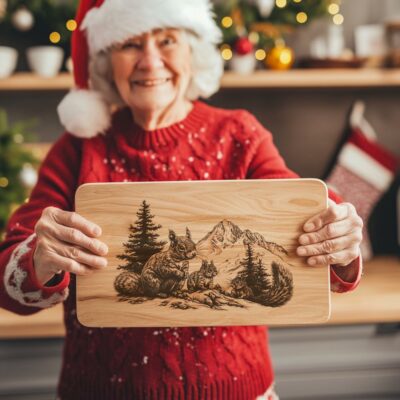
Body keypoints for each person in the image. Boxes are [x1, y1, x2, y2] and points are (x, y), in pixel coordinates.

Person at [0, 0, 363, 399]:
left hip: (238, 391)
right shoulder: (77, 150)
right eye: (129, 44)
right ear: (106, 60)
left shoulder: (239, 133)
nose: (150, 62)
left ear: (193, 50)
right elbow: (8, 284)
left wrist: (339, 236)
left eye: (167, 40)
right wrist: (38, 256)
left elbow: (299, 209)